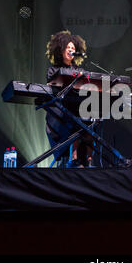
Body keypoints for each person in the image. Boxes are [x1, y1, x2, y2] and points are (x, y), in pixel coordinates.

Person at [45, 30, 94, 168]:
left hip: (79, 107)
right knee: (75, 120)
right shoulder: (53, 70)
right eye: (68, 47)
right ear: (60, 50)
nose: (71, 50)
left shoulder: (80, 70)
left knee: (91, 120)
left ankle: (89, 160)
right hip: (60, 112)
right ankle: (73, 157)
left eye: (73, 48)